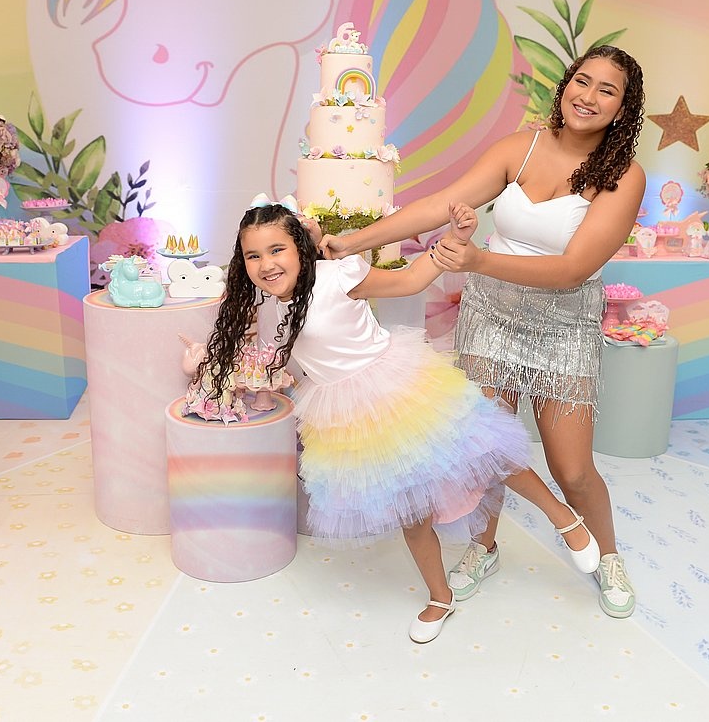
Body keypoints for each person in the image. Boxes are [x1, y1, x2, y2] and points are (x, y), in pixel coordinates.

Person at [321, 44, 646, 618]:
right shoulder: (520, 148)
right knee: (484, 449)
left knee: (572, 469)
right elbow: (440, 205)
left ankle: (609, 555)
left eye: (607, 90)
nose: (588, 96)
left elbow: (573, 269)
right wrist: (352, 242)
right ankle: (484, 547)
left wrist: (479, 261)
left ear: (622, 109)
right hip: (491, 315)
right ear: (566, 85)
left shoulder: (625, 176)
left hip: (564, 323)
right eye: (583, 81)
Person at [196, 200, 599, 643]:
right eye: (253, 256)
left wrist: (456, 239)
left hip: (397, 387)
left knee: (484, 450)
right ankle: (440, 597)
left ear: (298, 248)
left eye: (277, 250)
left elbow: (410, 280)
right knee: (411, 510)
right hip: (348, 415)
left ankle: (566, 520)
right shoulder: (272, 310)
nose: (266, 264)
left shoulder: (337, 276)